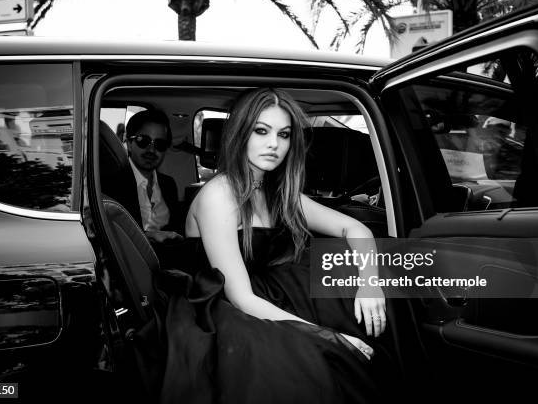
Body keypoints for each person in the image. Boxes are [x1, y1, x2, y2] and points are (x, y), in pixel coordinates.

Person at [156, 88, 398, 403]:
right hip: (232, 309)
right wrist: (329, 337)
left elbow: (354, 228)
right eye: (261, 131)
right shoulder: (220, 194)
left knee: (382, 279)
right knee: (316, 364)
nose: (274, 144)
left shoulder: (277, 192)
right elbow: (241, 297)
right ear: (240, 134)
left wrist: (370, 284)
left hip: (274, 294)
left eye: (283, 134)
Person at [126, 109, 182, 242]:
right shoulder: (112, 184)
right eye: (143, 141)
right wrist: (148, 236)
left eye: (159, 144)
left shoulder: (168, 184)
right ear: (129, 143)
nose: (151, 150)